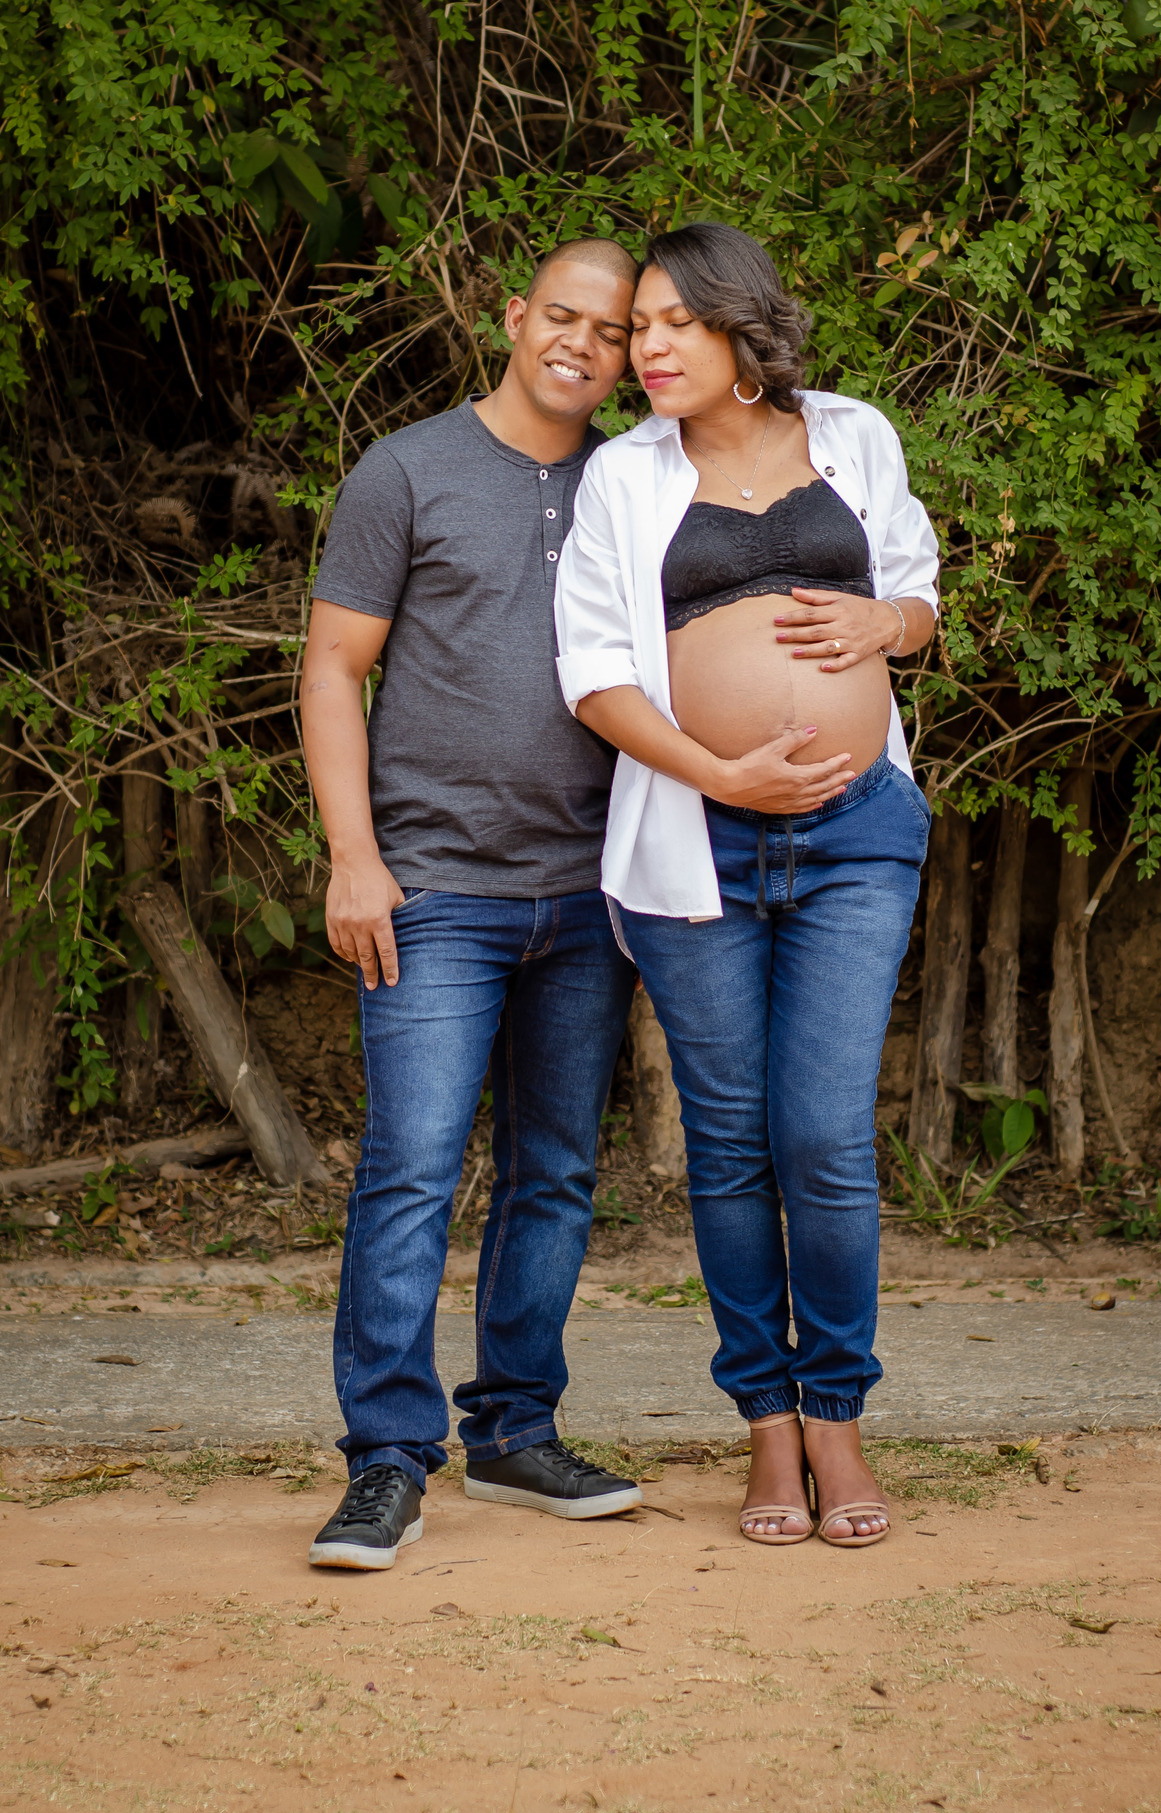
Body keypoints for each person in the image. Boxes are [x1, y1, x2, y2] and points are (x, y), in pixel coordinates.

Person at [554, 222, 939, 1549]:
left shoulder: (855, 435)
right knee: (727, 1142)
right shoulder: (622, 477)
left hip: (856, 834)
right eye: (639, 330)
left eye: (677, 324)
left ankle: (836, 1412)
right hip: (695, 845)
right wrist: (725, 774)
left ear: (741, 326)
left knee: (822, 1135)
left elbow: (918, 595)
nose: (647, 351)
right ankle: (767, 1423)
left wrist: (885, 621)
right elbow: (595, 675)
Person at [300, 239, 644, 1570]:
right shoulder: (406, 470)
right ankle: (387, 1461)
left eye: (610, 332)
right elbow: (334, 667)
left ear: (630, 356)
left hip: (589, 891)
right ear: (513, 317)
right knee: (412, 1170)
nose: (581, 344)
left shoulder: (633, 481)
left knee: (554, 1171)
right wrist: (355, 855)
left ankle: (513, 1429)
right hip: (435, 886)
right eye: (562, 316)